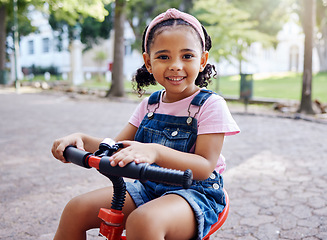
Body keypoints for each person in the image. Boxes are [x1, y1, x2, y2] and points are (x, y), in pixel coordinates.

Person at [51, 8, 240, 240]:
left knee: (143, 221)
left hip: (196, 194)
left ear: (202, 60)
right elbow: (117, 147)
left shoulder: (210, 105)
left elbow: (203, 167)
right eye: (163, 57)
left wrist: (154, 151)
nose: (175, 65)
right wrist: (82, 139)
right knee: (76, 209)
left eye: (187, 56)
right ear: (148, 63)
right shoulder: (150, 106)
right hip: (148, 189)